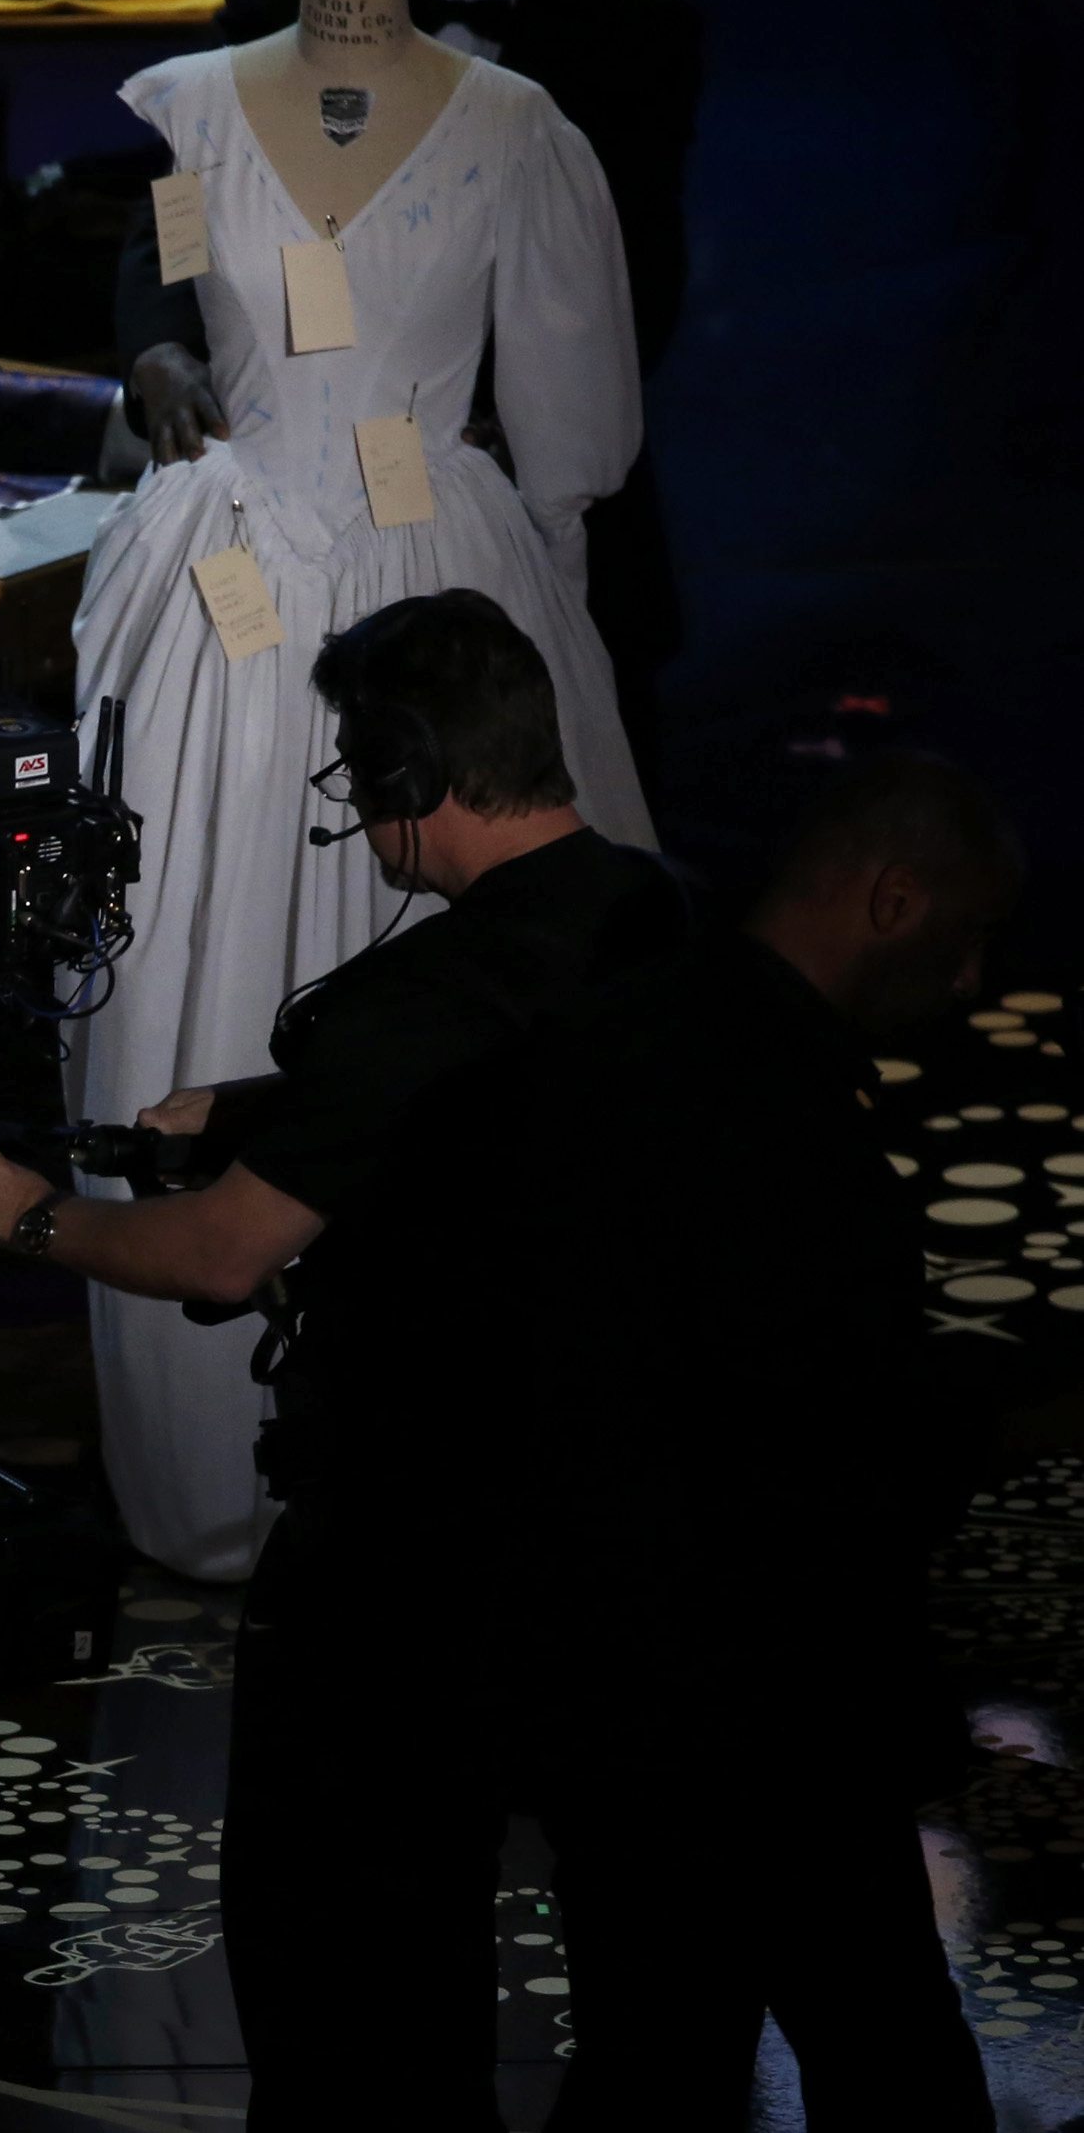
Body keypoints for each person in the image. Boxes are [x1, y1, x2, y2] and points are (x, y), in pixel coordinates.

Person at [0, 589, 684, 2126]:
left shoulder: (414, 1000)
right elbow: (493, 1106)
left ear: (409, 773)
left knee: (350, 1976)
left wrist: (24, 1215)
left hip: (417, 1551)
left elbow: (221, 1254)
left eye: (355, 764)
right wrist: (278, 1110)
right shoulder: (657, 919)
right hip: (637, 1535)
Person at [70, 0, 654, 1583]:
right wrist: (159, 365)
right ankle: (214, 1454)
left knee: (476, 956)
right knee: (196, 926)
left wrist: (553, 618)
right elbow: (174, 289)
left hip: (432, 551)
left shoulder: (518, 129)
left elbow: (572, 429)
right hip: (231, 566)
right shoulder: (192, 110)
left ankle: (479, 1421)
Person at [465, 753, 1013, 2127]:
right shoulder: (766, 1096)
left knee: (666, 2052)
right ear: (893, 898)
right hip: (758, 1695)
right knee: (874, 2054)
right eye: (965, 939)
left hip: (626, 1687)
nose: (969, 982)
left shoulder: (623, 1041)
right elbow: (805, 1420)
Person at [119, 0, 702, 783]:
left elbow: (635, 283)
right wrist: (160, 347)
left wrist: (511, 423)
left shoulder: (627, 41)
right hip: (259, 503)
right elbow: (174, 220)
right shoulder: (260, 9)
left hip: (485, 483)